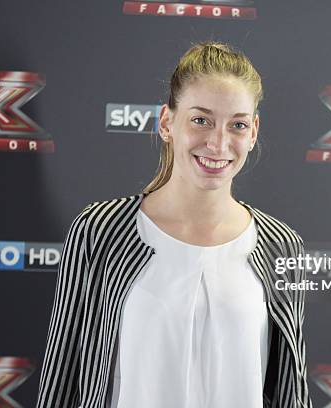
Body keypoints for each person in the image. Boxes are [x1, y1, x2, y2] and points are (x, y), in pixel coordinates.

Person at [35, 41, 312, 408]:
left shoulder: (282, 247)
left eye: (238, 125)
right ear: (167, 122)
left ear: (254, 132)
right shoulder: (99, 232)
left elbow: (291, 391)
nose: (218, 142)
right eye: (201, 120)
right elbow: (62, 377)